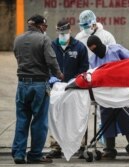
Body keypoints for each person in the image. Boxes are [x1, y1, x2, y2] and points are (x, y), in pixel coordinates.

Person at [87, 35, 129, 160]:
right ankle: (109, 150)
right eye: (92, 50)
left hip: (122, 92)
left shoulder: (115, 50)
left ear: (100, 44)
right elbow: (91, 75)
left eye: (96, 48)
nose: (96, 52)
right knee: (106, 121)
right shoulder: (93, 59)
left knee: (126, 118)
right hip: (105, 95)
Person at [12, 14, 64, 164]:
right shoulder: (43, 39)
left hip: (22, 84)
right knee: (40, 122)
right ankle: (34, 155)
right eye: (45, 26)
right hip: (39, 85)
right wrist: (59, 74)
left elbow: (17, 56)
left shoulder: (18, 39)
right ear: (41, 25)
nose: (45, 29)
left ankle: (19, 154)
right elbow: (51, 60)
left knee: (22, 120)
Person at [75, 9, 116, 158]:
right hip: (86, 79)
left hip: (103, 79)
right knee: (83, 112)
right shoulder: (80, 37)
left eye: (88, 25)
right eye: (83, 26)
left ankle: (106, 146)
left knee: (102, 114)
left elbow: (114, 56)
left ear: (93, 23)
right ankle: (83, 145)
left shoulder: (107, 36)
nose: (86, 29)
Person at [46, 18, 89, 159]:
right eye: (60, 32)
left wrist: (74, 82)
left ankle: (81, 145)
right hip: (57, 88)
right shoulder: (52, 46)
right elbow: (47, 65)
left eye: (65, 32)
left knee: (77, 116)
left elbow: (84, 68)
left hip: (74, 88)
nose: (63, 35)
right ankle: (56, 146)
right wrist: (51, 79)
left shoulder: (79, 47)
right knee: (55, 116)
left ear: (70, 31)